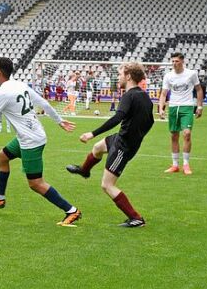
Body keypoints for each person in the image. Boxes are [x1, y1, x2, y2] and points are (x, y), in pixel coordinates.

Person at [0, 57, 81, 226]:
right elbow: (43, 103)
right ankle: (0, 198)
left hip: (31, 141)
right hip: (28, 136)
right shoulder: (19, 84)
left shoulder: (1, 93)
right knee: (2, 157)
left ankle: (71, 210)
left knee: (36, 183)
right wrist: (59, 121)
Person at [66, 63, 154, 228]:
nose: (118, 77)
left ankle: (136, 218)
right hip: (121, 138)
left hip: (123, 145)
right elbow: (150, 122)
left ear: (128, 76)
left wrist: (92, 133)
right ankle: (85, 171)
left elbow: (117, 118)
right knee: (98, 148)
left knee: (107, 185)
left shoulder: (129, 96)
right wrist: (138, 135)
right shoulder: (144, 96)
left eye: (120, 74)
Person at [158, 51, 202, 175]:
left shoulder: (191, 74)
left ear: (182, 61)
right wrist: (161, 108)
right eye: (172, 61)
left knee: (187, 134)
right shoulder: (168, 76)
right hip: (173, 107)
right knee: (174, 136)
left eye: (176, 61)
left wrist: (199, 106)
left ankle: (186, 164)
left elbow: (198, 90)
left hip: (187, 107)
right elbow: (163, 93)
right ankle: (175, 165)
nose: (174, 63)